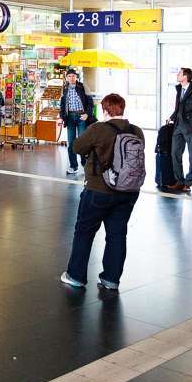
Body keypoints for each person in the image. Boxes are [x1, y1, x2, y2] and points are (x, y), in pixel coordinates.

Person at [60, 93, 145, 292]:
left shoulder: (99, 129)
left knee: (84, 231)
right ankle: (111, 279)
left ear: (105, 110)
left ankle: (76, 275)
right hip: (129, 191)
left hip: (98, 190)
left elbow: (77, 147)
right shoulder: (137, 131)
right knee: (117, 234)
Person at [59, 69, 89, 176]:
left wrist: (87, 114)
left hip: (81, 117)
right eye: (69, 76)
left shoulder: (82, 87)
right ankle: (73, 166)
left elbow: (90, 102)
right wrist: (61, 117)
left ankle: (85, 165)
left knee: (83, 142)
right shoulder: (65, 89)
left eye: (73, 76)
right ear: (66, 78)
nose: (71, 78)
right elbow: (63, 105)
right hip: (70, 117)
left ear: (76, 77)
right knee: (71, 143)